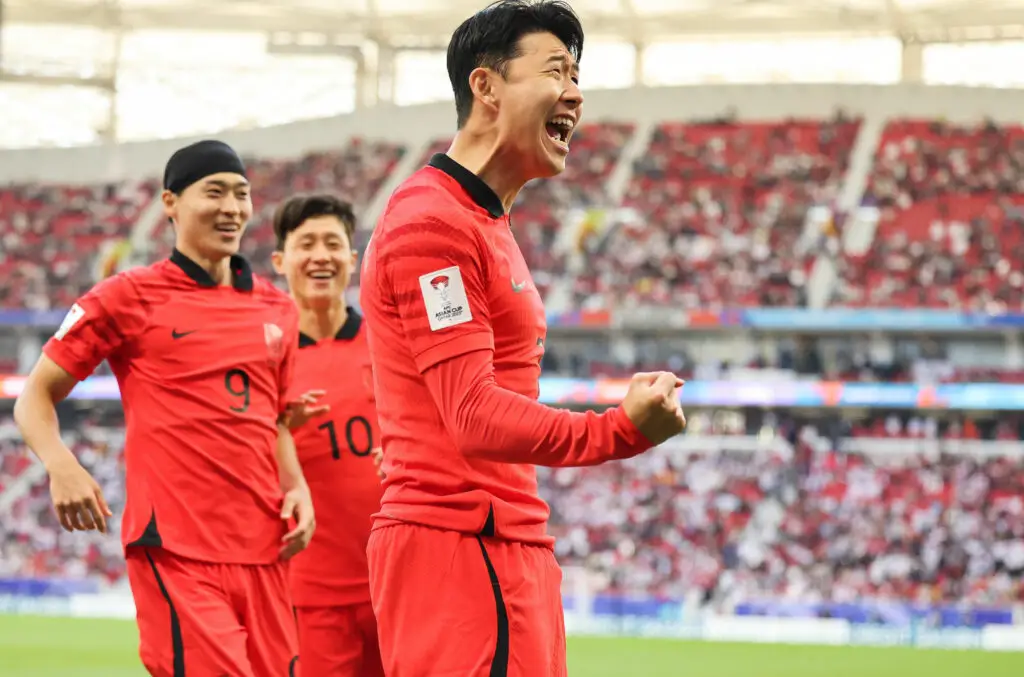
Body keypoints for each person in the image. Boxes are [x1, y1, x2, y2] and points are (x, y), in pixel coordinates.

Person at [358, 2, 687, 676]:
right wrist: (617, 431)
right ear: (486, 86)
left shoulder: (482, 220)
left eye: (577, 76)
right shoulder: (431, 223)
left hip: (500, 541)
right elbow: (472, 413)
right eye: (556, 71)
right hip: (460, 547)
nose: (575, 93)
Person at [14, 140, 320, 677]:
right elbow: (34, 394)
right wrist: (62, 465)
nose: (232, 207)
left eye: (242, 194)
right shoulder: (127, 296)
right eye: (215, 192)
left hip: (264, 549)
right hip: (177, 549)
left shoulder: (277, 308)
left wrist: (296, 485)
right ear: (170, 203)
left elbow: (272, 419)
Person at [270, 193, 385, 677]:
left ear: (353, 259)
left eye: (333, 244)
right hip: (307, 597)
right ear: (280, 260)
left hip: (397, 588)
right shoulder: (262, 356)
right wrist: (275, 430)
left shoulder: (389, 344)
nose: (321, 255)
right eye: (306, 244)